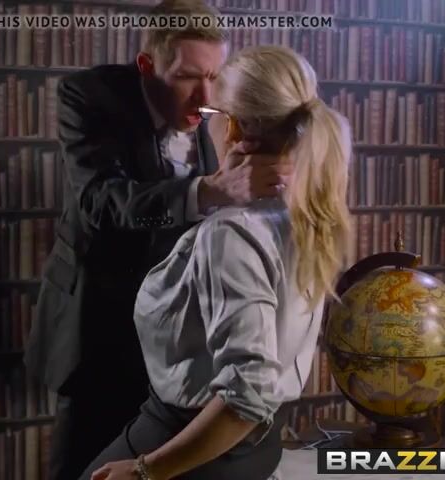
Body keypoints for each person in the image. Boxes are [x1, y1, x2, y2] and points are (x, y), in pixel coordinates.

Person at [23, 1, 293, 479]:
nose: (205, 98)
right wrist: (206, 191)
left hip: (179, 343)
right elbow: (99, 202)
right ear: (146, 65)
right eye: (187, 77)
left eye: (213, 76)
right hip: (98, 328)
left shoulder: (218, 109)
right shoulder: (88, 96)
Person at [80, 45, 354, 480]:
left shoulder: (232, 233)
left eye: (213, 112)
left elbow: (247, 393)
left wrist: (144, 471)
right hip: (257, 447)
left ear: (235, 127)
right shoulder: (308, 212)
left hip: (194, 441)